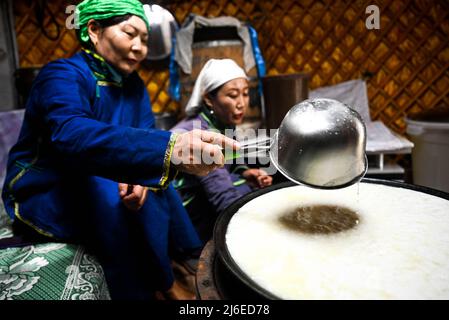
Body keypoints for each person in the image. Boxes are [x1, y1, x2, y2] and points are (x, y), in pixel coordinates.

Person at [1, 0, 239, 300]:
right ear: (94, 30)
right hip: (50, 182)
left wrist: (139, 177)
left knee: (157, 184)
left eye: (145, 39)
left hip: (109, 173)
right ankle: (148, 289)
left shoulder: (134, 85)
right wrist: (170, 146)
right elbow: (71, 135)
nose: (140, 47)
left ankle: (184, 264)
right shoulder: (62, 75)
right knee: (111, 193)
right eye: (130, 34)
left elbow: (144, 137)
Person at [172, 59, 273, 244]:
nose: (242, 103)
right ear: (209, 99)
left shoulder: (222, 123)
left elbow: (228, 163)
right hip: (191, 225)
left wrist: (244, 173)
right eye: (233, 95)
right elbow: (222, 197)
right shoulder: (200, 134)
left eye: (245, 93)